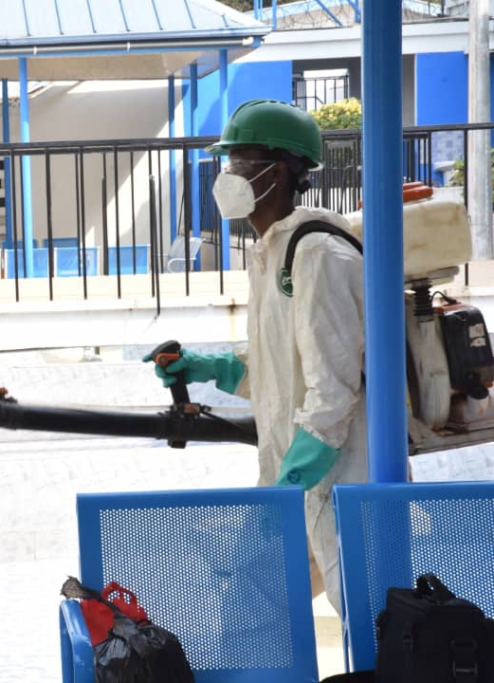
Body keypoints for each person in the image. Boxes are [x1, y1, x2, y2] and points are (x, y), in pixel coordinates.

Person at [151, 99, 369, 611]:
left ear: (280, 172)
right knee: (252, 609)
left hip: (341, 481)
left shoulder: (317, 254)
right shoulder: (272, 251)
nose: (229, 177)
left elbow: (333, 389)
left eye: (241, 164)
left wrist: (293, 483)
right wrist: (212, 369)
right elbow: (280, 365)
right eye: (227, 165)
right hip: (295, 479)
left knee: (369, 620)